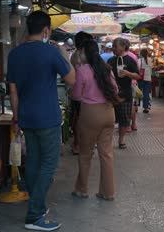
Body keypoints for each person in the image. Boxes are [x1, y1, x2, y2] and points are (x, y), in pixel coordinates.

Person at [7, 11, 75, 231]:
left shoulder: (14, 54)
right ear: (46, 30)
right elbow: (72, 80)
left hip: (26, 117)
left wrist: (17, 118)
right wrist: (63, 52)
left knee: (34, 161)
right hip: (47, 117)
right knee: (49, 163)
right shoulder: (50, 51)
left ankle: (37, 205)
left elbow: (13, 92)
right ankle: (34, 214)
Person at [71, 32, 120, 201]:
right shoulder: (106, 68)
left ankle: (82, 189)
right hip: (108, 112)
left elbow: (76, 95)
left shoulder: (83, 70)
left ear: (85, 53)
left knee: (85, 153)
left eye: (81, 52)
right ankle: (108, 192)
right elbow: (116, 90)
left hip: (90, 113)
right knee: (106, 154)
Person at [107, 38, 140, 149]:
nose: (113, 48)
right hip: (112, 94)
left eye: (115, 46)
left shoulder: (130, 60)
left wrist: (127, 73)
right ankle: (108, 141)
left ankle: (121, 140)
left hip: (125, 94)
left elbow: (137, 76)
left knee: (124, 119)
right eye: (113, 46)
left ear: (122, 47)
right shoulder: (110, 61)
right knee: (110, 120)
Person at [124, 39, 140, 131]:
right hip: (133, 82)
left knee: (126, 105)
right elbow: (137, 70)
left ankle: (127, 125)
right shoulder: (134, 56)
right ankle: (133, 124)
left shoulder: (122, 56)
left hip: (125, 83)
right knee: (133, 104)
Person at [138, 49, 153, 113]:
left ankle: (136, 107)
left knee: (138, 93)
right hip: (148, 79)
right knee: (146, 93)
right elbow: (151, 67)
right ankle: (146, 107)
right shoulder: (150, 60)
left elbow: (138, 69)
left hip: (141, 79)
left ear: (141, 54)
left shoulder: (139, 60)